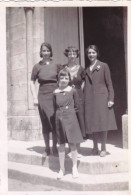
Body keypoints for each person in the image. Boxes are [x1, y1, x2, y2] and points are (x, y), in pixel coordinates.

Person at [84, 45, 117, 157]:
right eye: (89, 53)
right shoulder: (87, 69)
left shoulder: (103, 66)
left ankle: (103, 147)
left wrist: (111, 99)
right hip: (90, 100)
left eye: (93, 52)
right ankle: (94, 147)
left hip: (102, 98)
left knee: (102, 123)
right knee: (93, 123)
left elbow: (109, 83)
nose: (91, 55)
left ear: (97, 53)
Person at [53, 69, 83, 179]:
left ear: (69, 79)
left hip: (71, 118)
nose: (64, 80)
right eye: (62, 78)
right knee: (61, 144)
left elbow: (77, 106)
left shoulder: (72, 90)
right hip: (59, 118)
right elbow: (54, 106)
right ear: (58, 79)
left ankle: (74, 167)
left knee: (72, 143)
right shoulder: (55, 92)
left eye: (66, 78)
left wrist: (70, 114)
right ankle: (62, 169)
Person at [30, 42, 58, 156]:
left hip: (54, 95)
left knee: (55, 122)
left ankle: (55, 148)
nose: (45, 53)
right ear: (41, 52)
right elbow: (32, 82)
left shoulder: (56, 65)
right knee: (45, 122)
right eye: (43, 51)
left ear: (51, 52)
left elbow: (62, 80)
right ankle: (47, 148)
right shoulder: (37, 66)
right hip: (42, 96)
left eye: (47, 50)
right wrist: (34, 97)